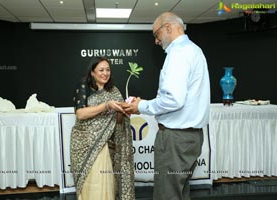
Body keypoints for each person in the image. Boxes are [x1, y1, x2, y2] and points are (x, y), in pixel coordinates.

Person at [124, 12, 210, 200]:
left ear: (168, 28)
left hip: (175, 140)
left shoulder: (178, 54)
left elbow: (174, 99)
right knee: (180, 192)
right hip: (192, 138)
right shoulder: (195, 50)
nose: (156, 41)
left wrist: (142, 106)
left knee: (167, 194)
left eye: (156, 34)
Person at [70, 57, 135, 200]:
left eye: (108, 70)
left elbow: (118, 123)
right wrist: (106, 105)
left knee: (104, 182)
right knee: (91, 182)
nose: (105, 73)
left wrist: (123, 111)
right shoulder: (84, 86)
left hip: (106, 144)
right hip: (85, 142)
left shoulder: (113, 91)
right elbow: (80, 114)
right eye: (101, 70)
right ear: (92, 72)